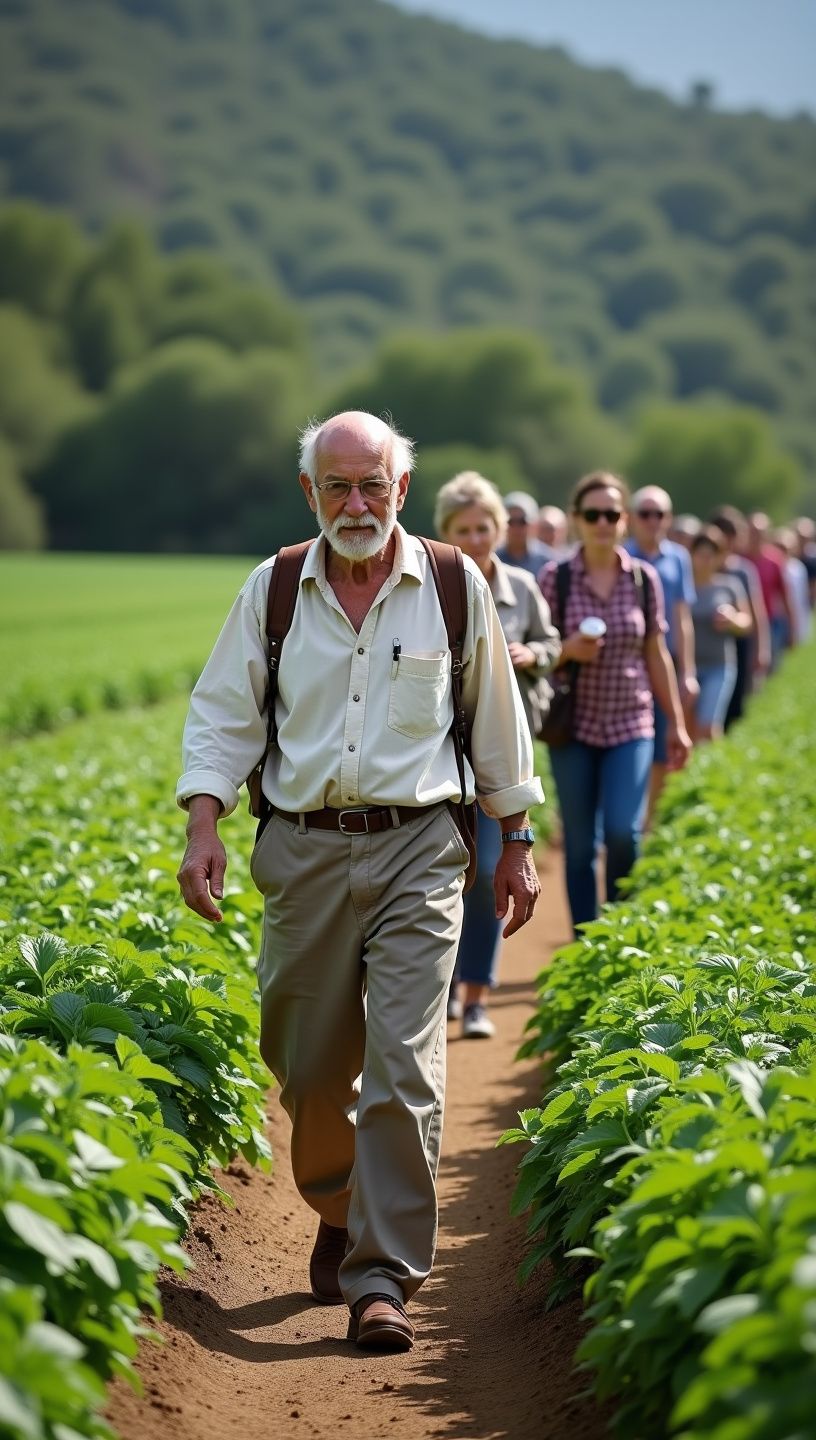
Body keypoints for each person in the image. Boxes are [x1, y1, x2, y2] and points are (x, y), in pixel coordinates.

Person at [175, 411, 543, 1355]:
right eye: (337, 485)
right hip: (301, 848)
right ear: (310, 493)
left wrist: (517, 838)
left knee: (405, 1066)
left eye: (372, 484)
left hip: (422, 847)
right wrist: (205, 823)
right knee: (305, 1065)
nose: (356, 502)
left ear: (401, 490)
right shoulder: (275, 589)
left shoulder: (452, 588)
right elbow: (223, 715)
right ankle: (339, 1203)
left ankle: (381, 1276)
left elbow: (496, 723)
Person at [434, 471, 561, 1038]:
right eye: (464, 529)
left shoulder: (523, 588)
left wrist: (530, 652)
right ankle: (447, 987)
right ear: (445, 533)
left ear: (500, 528)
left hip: (500, 751)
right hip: (440, 752)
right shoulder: (432, 590)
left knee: (488, 871)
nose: (477, 537)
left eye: (485, 527)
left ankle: (479, 995)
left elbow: (553, 644)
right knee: (446, 872)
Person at [539, 471, 691, 934]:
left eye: (611, 513)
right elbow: (537, 652)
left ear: (623, 520)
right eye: (592, 514)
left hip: (632, 722)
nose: (602, 522)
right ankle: (588, 942)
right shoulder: (556, 578)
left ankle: (621, 931)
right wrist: (568, 649)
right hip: (575, 728)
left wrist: (677, 723)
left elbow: (655, 652)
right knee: (582, 845)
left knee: (624, 831)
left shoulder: (643, 580)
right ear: (576, 520)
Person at [624, 484, 698, 824]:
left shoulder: (678, 558)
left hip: (663, 662)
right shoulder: (623, 555)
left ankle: (647, 821)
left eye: (659, 514)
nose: (653, 520)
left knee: (661, 747)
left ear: (668, 518)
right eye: (646, 513)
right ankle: (626, 815)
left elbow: (682, 618)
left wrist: (688, 670)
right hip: (627, 664)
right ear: (633, 518)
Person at [707, 506, 769, 727]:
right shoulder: (701, 564)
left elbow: (756, 613)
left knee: (734, 703)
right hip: (705, 646)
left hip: (738, 643)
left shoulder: (742, 570)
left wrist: (761, 649)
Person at [689, 528, 753, 741]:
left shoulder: (729, 585)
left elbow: (747, 622)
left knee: (708, 725)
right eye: (701, 554)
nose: (706, 560)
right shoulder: (684, 586)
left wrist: (732, 619)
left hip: (720, 666)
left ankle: (712, 767)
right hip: (687, 667)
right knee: (687, 726)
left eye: (711, 555)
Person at [745, 512, 797, 669]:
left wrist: (792, 628)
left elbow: (785, 595)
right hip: (745, 622)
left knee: (766, 666)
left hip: (770, 621)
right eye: (752, 532)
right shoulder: (739, 559)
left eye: (759, 533)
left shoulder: (775, 561)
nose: (756, 537)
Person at [496, 490, 554, 576]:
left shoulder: (548, 562)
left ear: (533, 523)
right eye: (510, 522)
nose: (516, 528)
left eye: (522, 521)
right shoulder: (494, 559)